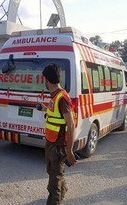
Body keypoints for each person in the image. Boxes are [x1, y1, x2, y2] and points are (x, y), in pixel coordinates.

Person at [37, 63, 77, 205]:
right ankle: (63, 188)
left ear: (47, 80)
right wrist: (45, 109)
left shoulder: (62, 98)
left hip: (58, 145)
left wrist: (69, 150)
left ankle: (56, 199)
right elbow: (57, 116)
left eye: (44, 80)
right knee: (53, 172)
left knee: (54, 183)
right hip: (51, 141)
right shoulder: (54, 96)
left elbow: (71, 124)